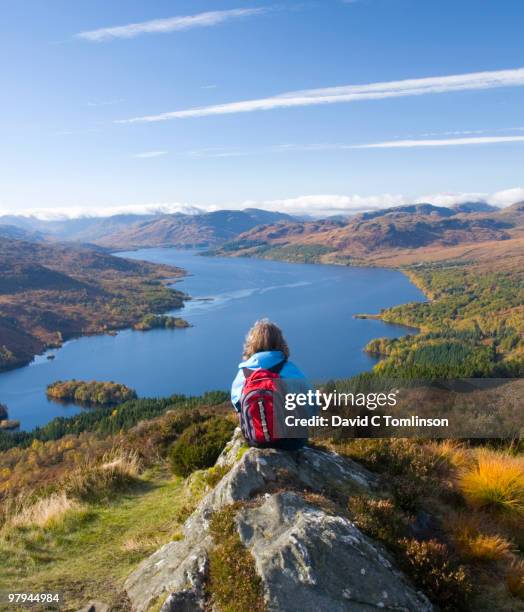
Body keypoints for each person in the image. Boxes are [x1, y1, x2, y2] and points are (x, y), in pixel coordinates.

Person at [231, 319, 314, 450]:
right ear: (280, 343)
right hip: (291, 442)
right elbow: (311, 408)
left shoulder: (243, 374)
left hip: (255, 440)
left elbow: (238, 407)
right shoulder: (291, 370)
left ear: (250, 345)